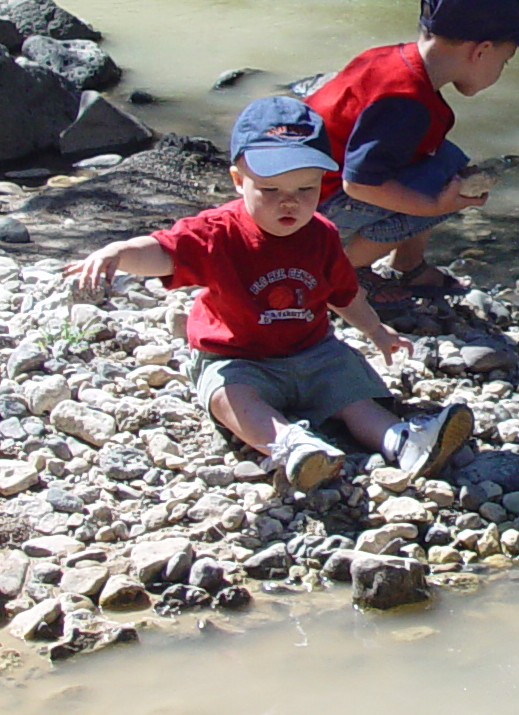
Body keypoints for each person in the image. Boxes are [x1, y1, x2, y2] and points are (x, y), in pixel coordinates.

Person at [63, 95, 473, 492]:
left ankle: (402, 442)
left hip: (312, 351)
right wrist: (119, 253)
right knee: (231, 396)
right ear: (238, 181)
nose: (289, 203)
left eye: (305, 190)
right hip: (236, 355)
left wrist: (377, 334)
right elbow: (165, 252)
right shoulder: (218, 232)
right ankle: (291, 447)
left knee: (353, 394)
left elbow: (345, 295)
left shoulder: (322, 235)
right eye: (271, 190)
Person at [306, 0, 519, 303]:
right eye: (505, 60)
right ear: (480, 52)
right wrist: (432, 205)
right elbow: (359, 183)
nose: (501, 69)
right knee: (447, 190)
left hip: (302, 189)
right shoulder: (405, 102)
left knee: (448, 162)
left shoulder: (393, 61)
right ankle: (331, 276)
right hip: (309, 211)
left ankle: (408, 264)